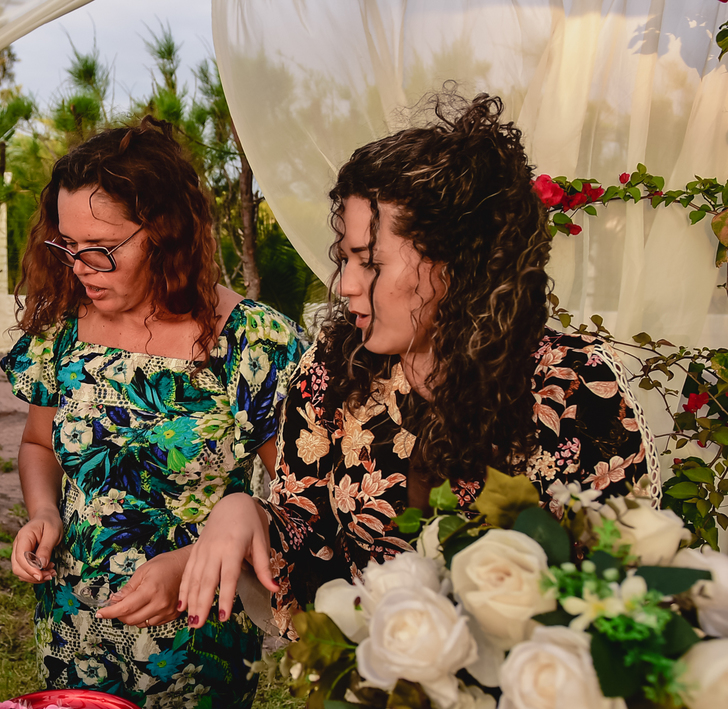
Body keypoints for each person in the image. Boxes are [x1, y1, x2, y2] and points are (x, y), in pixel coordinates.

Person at [178, 92, 659, 639]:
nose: (347, 285)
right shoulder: (330, 375)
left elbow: (624, 591)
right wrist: (246, 513)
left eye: (370, 262)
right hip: (375, 682)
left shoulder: (574, 386)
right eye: (345, 259)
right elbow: (307, 532)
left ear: (459, 262)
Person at [1, 117, 305, 709]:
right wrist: (42, 512)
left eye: (101, 247)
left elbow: (300, 503)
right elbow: (37, 444)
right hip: (73, 619)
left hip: (198, 633)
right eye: (67, 245)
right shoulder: (63, 331)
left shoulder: (253, 343)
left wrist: (191, 563)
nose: (81, 267)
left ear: (164, 231)